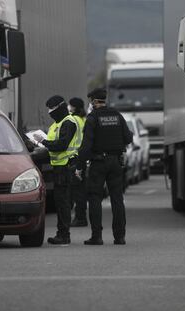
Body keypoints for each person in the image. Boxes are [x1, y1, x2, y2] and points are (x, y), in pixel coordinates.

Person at [76, 87, 133, 245]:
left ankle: (97, 236)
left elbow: (86, 146)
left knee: (95, 198)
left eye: (90, 101)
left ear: (94, 101)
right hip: (115, 162)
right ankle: (120, 237)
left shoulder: (92, 118)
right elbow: (128, 138)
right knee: (117, 199)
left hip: (98, 163)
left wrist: (79, 167)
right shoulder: (117, 115)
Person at [34, 95, 80, 245]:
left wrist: (44, 142)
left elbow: (62, 145)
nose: (50, 112)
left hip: (66, 167)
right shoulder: (57, 124)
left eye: (52, 109)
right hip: (59, 166)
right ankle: (61, 233)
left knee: (63, 202)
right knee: (60, 202)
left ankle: (64, 235)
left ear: (60, 107)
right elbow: (53, 146)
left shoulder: (69, 122)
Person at [68, 97, 88, 227]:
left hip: (73, 158)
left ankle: (80, 218)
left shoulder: (73, 120)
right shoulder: (83, 120)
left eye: (70, 105)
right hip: (82, 158)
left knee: (75, 191)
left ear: (74, 107)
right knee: (80, 190)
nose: (68, 108)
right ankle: (81, 217)